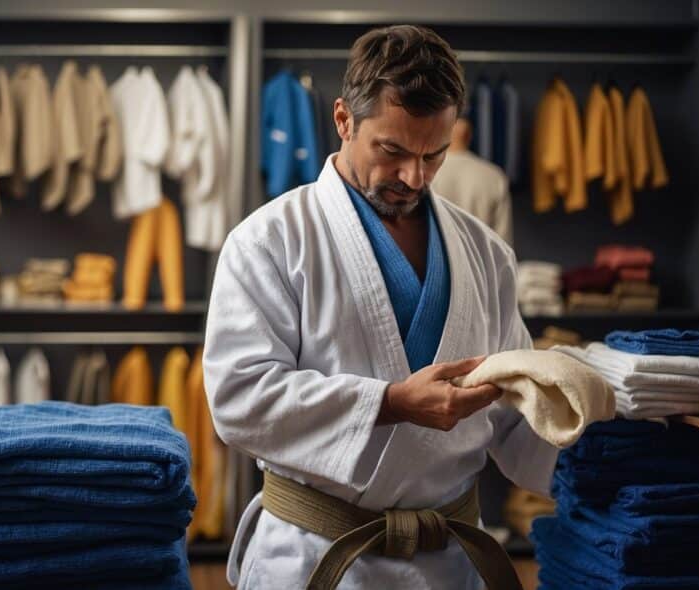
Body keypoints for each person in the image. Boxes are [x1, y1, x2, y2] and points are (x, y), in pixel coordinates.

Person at [203, 25, 556, 589]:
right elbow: (239, 400)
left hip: (448, 561)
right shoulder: (267, 241)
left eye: (433, 155)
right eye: (392, 151)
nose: (414, 176)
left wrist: (614, 436)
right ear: (344, 120)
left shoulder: (486, 255)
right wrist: (390, 403)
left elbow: (513, 415)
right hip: (316, 556)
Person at [431, 116, 514, 246]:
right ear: (469, 135)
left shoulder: (424, 172)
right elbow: (503, 242)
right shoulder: (494, 176)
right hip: (481, 262)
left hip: (434, 261)